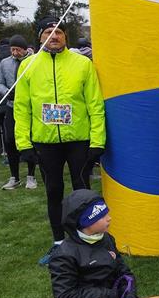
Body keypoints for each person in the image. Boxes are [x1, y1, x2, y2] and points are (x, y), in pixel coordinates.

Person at [14, 17, 106, 266]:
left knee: (82, 191)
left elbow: (95, 104)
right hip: (45, 142)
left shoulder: (83, 64)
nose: (53, 36)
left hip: (79, 139)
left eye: (59, 32)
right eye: (48, 32)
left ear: (66, 37)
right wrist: (24, 144)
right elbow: (21, 108)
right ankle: (58, 243)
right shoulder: (27, 65)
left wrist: (97, 141)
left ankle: (87, 241)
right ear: (40, 37)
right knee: (54, 191)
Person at [49, 190, 138, 298]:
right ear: (86, 222)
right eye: (102, 216)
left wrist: (129, 292)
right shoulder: (64, 255)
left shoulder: (107, 238)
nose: (109, 218)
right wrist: (109, 294)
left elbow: (123, 270)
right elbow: (65, 297)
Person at [0, 34, 37, 190]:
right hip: (11, 106)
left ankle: (31, 176)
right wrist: (6, 92)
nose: (15, 53)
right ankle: (14, 177)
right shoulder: (5, 63)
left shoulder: (34, 62)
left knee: (29, 140)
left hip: (30, 108)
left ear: (25, 49)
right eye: (12, 50)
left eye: (18, 49)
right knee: (10, 140)